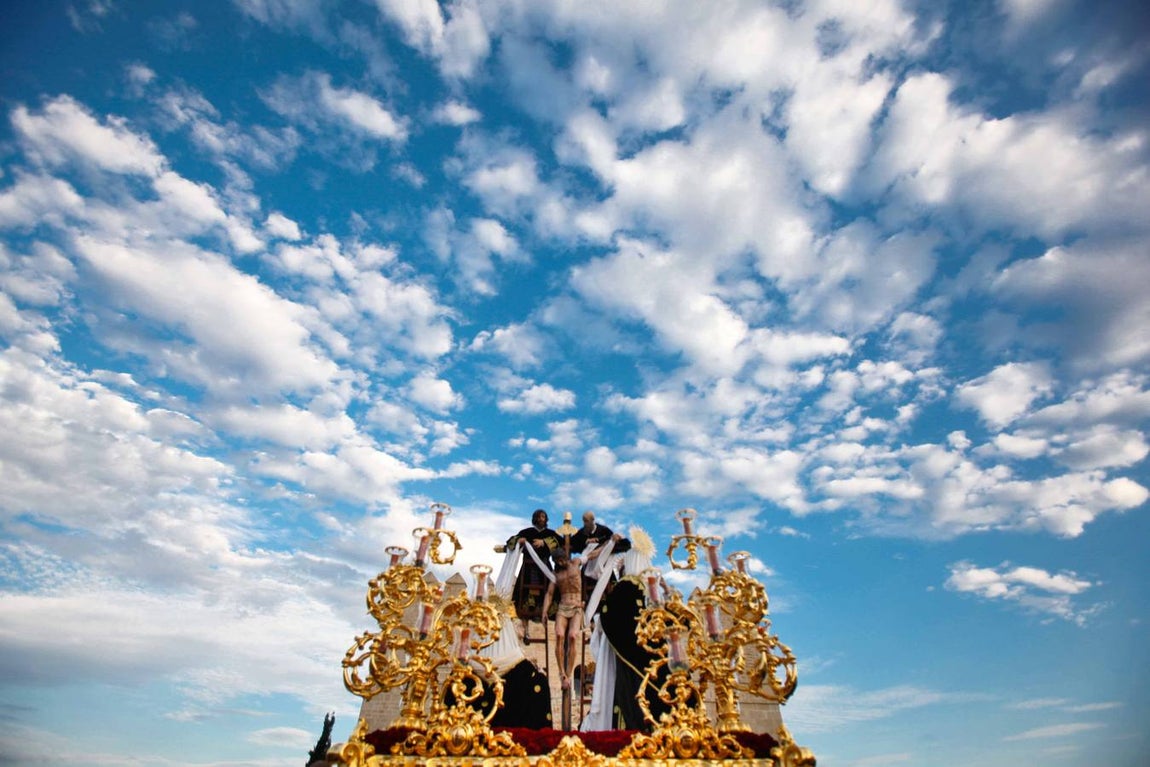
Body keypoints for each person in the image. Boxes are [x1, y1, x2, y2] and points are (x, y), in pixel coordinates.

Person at [505, 509, 560, 642]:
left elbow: (561, 543)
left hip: (544, 569)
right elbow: (510, 541)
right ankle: (526, 632)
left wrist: (545, 542)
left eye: (543, 517)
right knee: (523, 598)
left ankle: (547, 625)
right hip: (528, 570)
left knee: (549, 594)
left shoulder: (550, 533)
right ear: (535, 519)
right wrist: (520, 540)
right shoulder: (527, 532)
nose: (541, 519)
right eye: (539, 517)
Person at [542, 551, 583, 690]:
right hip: (563, 606)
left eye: (562, 560)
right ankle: (561, 673)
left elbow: (592, 555)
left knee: (573, 636)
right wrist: (544, 611)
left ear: (566, 557)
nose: (560, 563)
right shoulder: (556, 574)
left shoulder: (576, 563)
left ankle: (569, 675)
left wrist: (609, 543)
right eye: (557, 561)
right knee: (559, 635)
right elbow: (549, 593)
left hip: (576, 606)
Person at [570, 511, 630, 595]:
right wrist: (586, 541)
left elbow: (614, 541)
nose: (584, 524)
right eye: (583, 521)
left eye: (586, 521)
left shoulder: (604, 530)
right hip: (588, 566)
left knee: (612, 586)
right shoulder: (581, 532)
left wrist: (614, 539)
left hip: (603, 564)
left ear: (592, 520)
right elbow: (571, 544)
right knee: (581, 588)